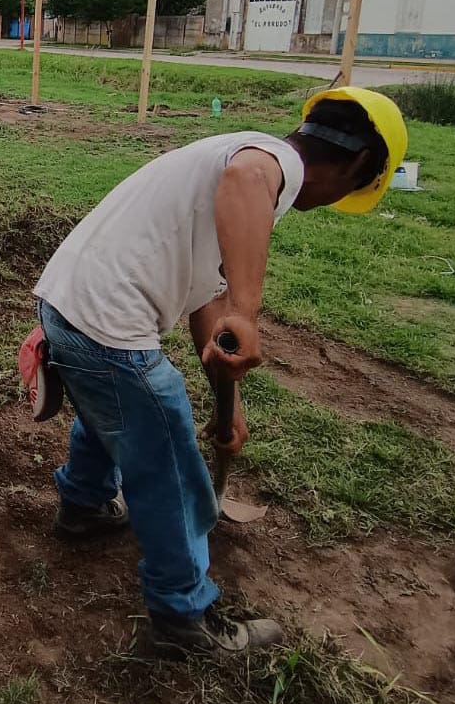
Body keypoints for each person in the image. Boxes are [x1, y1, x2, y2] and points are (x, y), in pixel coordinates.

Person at [33, 87, 406, 658]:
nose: (333, 201)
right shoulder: (268, 162)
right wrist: (247, 310)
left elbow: (206, 310)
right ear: (358, 165)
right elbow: (248, 182)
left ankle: (83, 507)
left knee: (112, 407)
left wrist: (227, 405)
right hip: (105, 321)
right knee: (168, 461)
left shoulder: (229, 159)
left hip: (67, 306)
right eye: (349, 192)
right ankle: (184, 618)